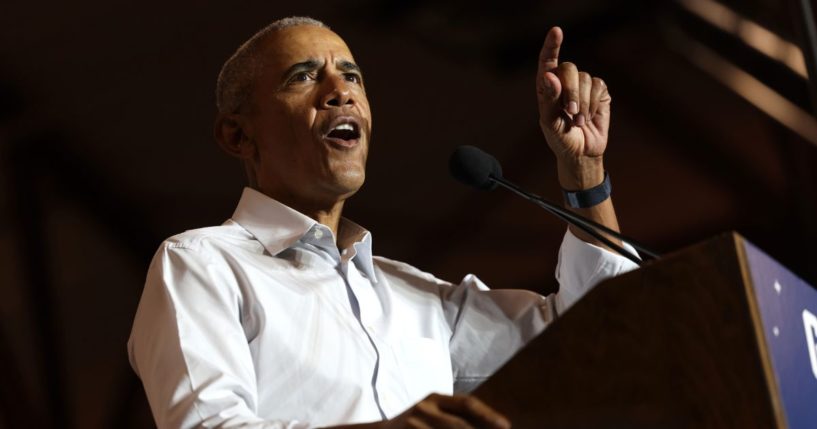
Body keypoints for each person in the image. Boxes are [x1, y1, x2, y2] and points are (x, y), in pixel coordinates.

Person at [128, 16, 638, 429]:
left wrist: (584, 172)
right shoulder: (203, 265)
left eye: (352, 76)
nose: (340, 91)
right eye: (302, 76)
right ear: (237, 136)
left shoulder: (419, 300)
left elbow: (601, 341)